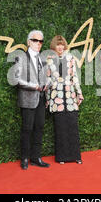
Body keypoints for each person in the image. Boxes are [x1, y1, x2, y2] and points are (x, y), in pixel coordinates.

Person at [11, 30, 50, 170]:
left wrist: (47, 83)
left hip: (41, 98)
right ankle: (25, 158)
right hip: (28, 99)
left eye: (41, 41)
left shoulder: (42, 58)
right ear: (28, 42)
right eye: (35, 40)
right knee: (27, 129)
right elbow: (16, 79)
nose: (38, 43)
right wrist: (34, 86)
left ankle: (36, 157)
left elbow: (47, 77)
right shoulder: (21, 57)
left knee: (39, 128)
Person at [45, 35, 84, 165]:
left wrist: (79, 93)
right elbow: (47, 80)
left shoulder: (71, 58)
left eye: (62, 44)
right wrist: (48, 99)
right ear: (54, 46)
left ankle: (76, 156)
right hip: (57, 98)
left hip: (70, 96)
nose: (60, 47)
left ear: (65, 46)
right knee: (60, 127)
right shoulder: (49, 61)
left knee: (73, 125)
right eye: (57, 44)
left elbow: (75, 77)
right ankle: (61, 157)